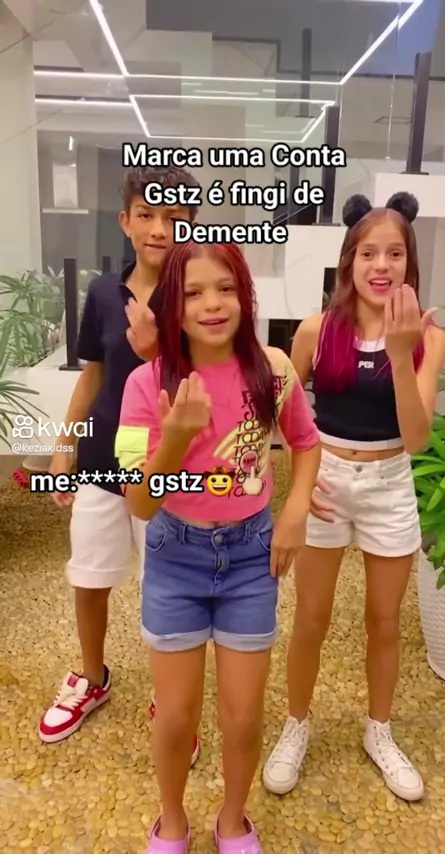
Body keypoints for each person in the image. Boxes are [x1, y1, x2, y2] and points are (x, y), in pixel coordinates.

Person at [114, 240, 321, 854]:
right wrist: (176, 438)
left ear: (245, 296)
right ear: (172, 308)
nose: (212, 304)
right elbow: (138, 502)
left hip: (252, 559)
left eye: (226, 289)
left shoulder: (273, 371)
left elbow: (306, 443)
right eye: (194, 293)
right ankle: (171, 820)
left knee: (243, 714)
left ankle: (234, 819)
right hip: (174, 558)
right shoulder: (143, 384)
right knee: (176, 715)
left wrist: (295, 510)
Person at [262, 192, 445, 803]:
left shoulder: (427, 337)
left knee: (384, 621)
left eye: (394, 253)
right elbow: (284, 415)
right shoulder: (317, 329)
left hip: (391, 482)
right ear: (349, 260)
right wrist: (295, 489)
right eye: (368, 252)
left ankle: (379, 731)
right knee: (311, 617)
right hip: (327, 479)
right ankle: (296, 725)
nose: (381, 265)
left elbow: (416, 438)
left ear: (410, 262)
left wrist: (399, 354)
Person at [38, 165, 200, 767]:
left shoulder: (197, 295)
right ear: (126, 221)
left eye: (174, 218)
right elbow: (95, 374)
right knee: (90, 575)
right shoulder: (105, 293)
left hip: (166, 468)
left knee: (167, 586)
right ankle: (91, 676)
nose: (160, 229)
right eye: (148, 215)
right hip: (104, 460)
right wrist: (65, 443)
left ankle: (171, 698)